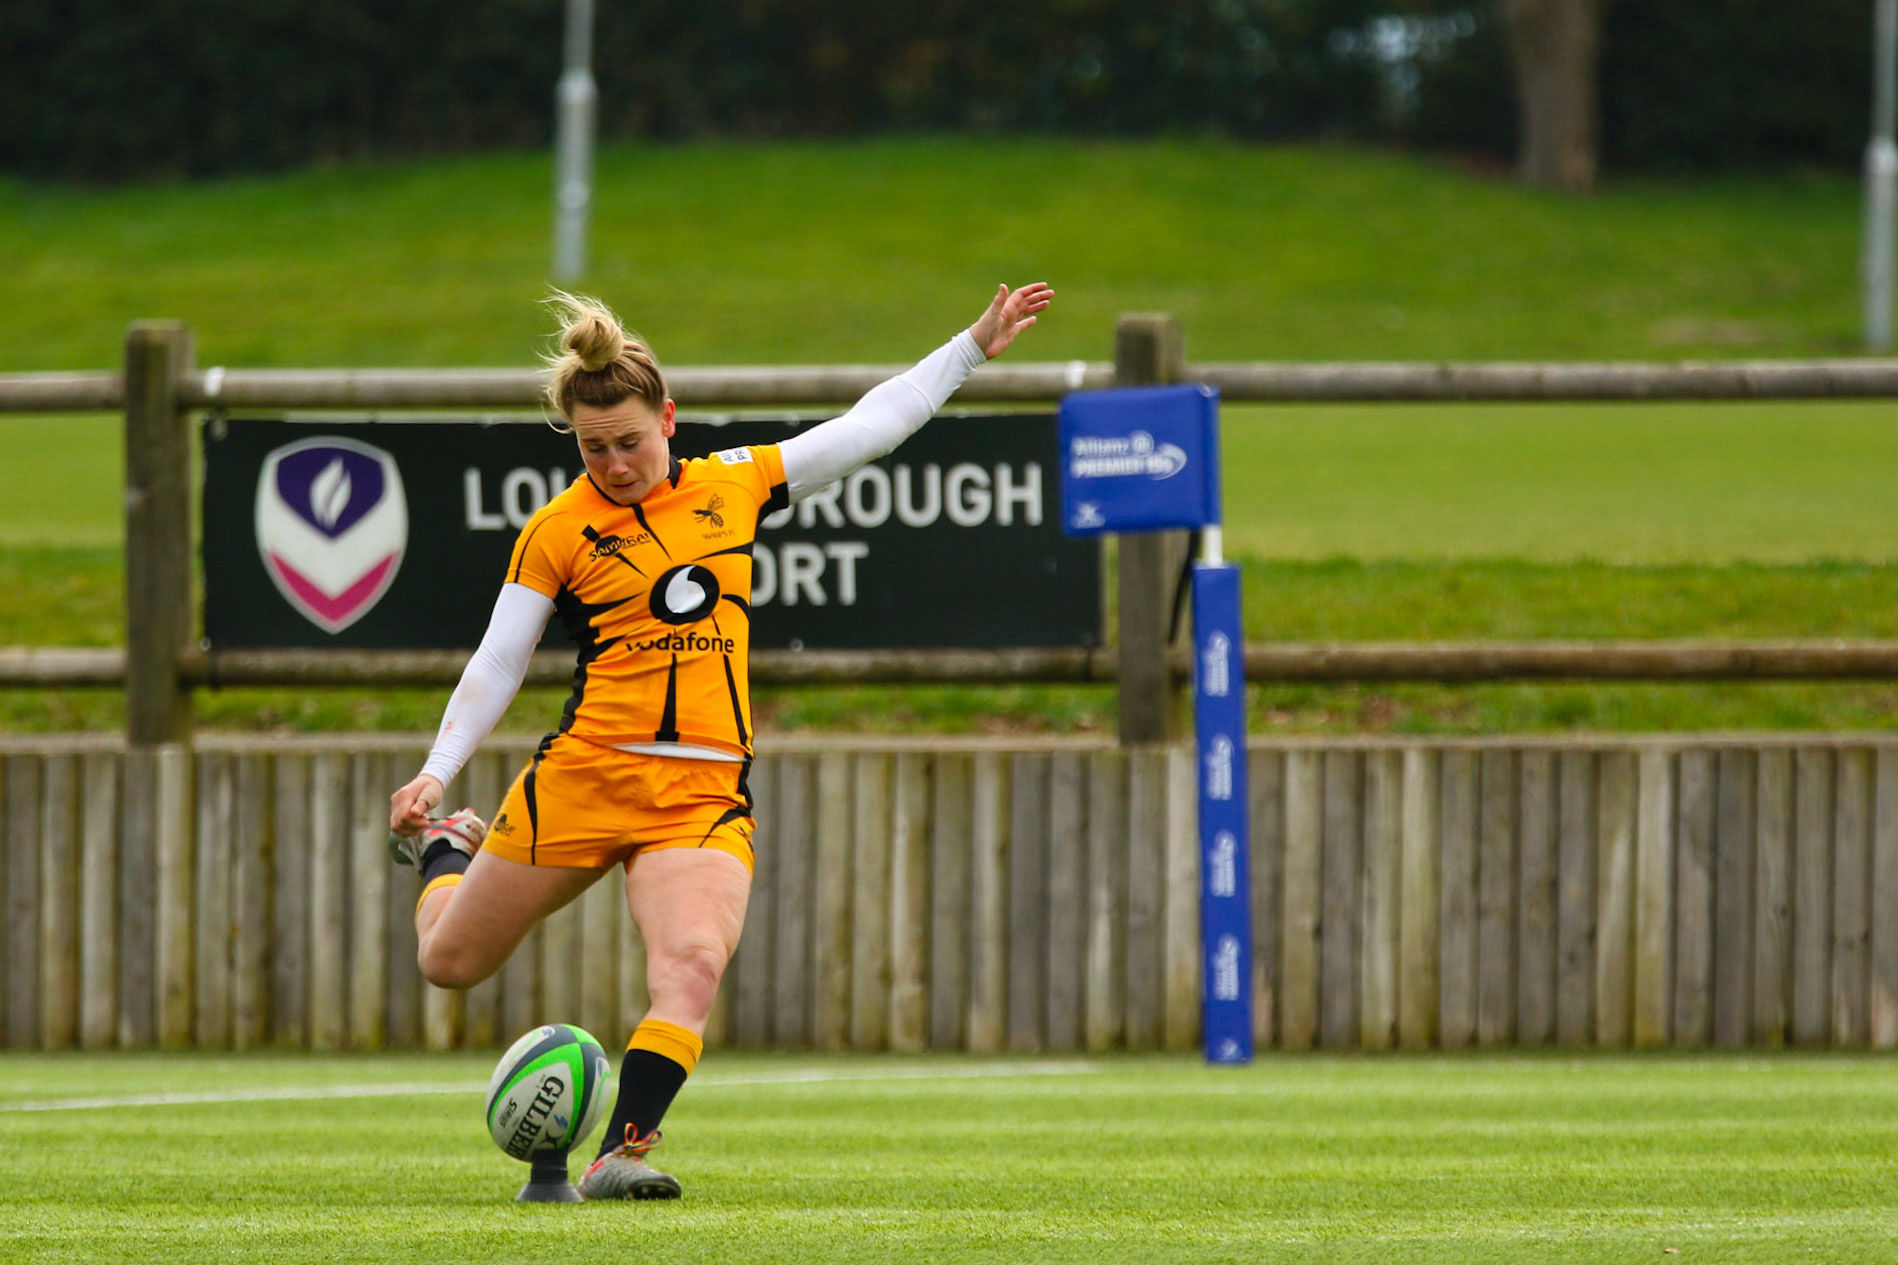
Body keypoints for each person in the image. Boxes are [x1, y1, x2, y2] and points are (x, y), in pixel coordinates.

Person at [387, 280, 1054, 1200]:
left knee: (692, 965)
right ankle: (441, 850)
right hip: (585, 777)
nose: (615, 463)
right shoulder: (557, 529)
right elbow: (499, 662)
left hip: (700, 793)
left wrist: (973, 345)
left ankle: (624, 1150)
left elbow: (872, 426)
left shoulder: (735, 484)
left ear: (669, 418)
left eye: (629, 441)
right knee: (447, 963)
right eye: (593, 448)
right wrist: (434, 774)